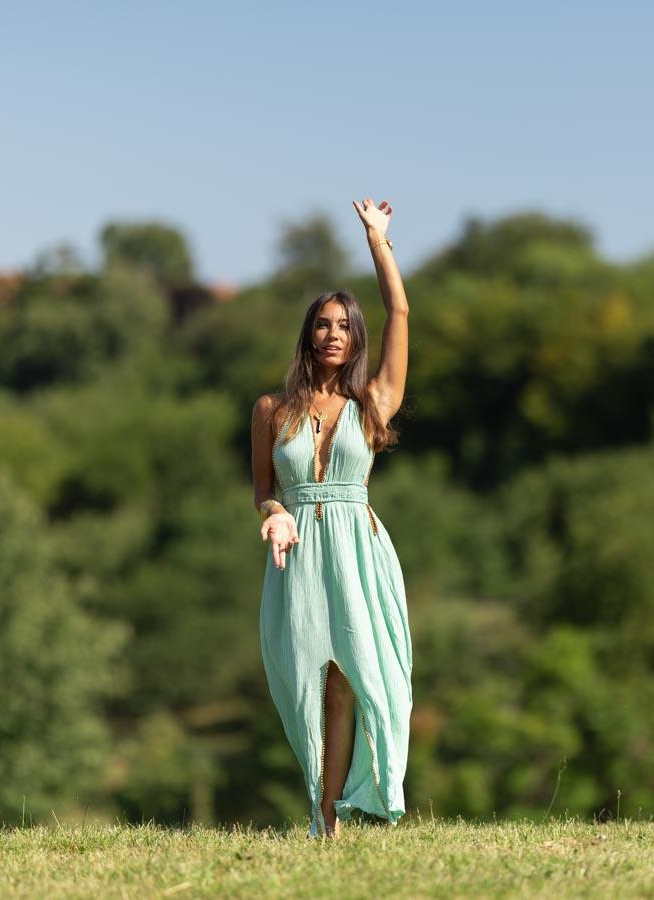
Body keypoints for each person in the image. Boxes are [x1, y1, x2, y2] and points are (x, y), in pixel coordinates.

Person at [250, 197, 412, 839]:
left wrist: (378, 240)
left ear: (356, 336)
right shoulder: (271, 410)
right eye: (323, 323)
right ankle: (320, 804)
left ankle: (332, 817)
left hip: (356, 546)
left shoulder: (374, 401)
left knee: (355, 680)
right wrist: (273, 514)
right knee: (306, 682)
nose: (334, 333)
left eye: (345, 324)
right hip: (298, 549)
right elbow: (264, 488)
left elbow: (400, 309)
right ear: (308, 334)